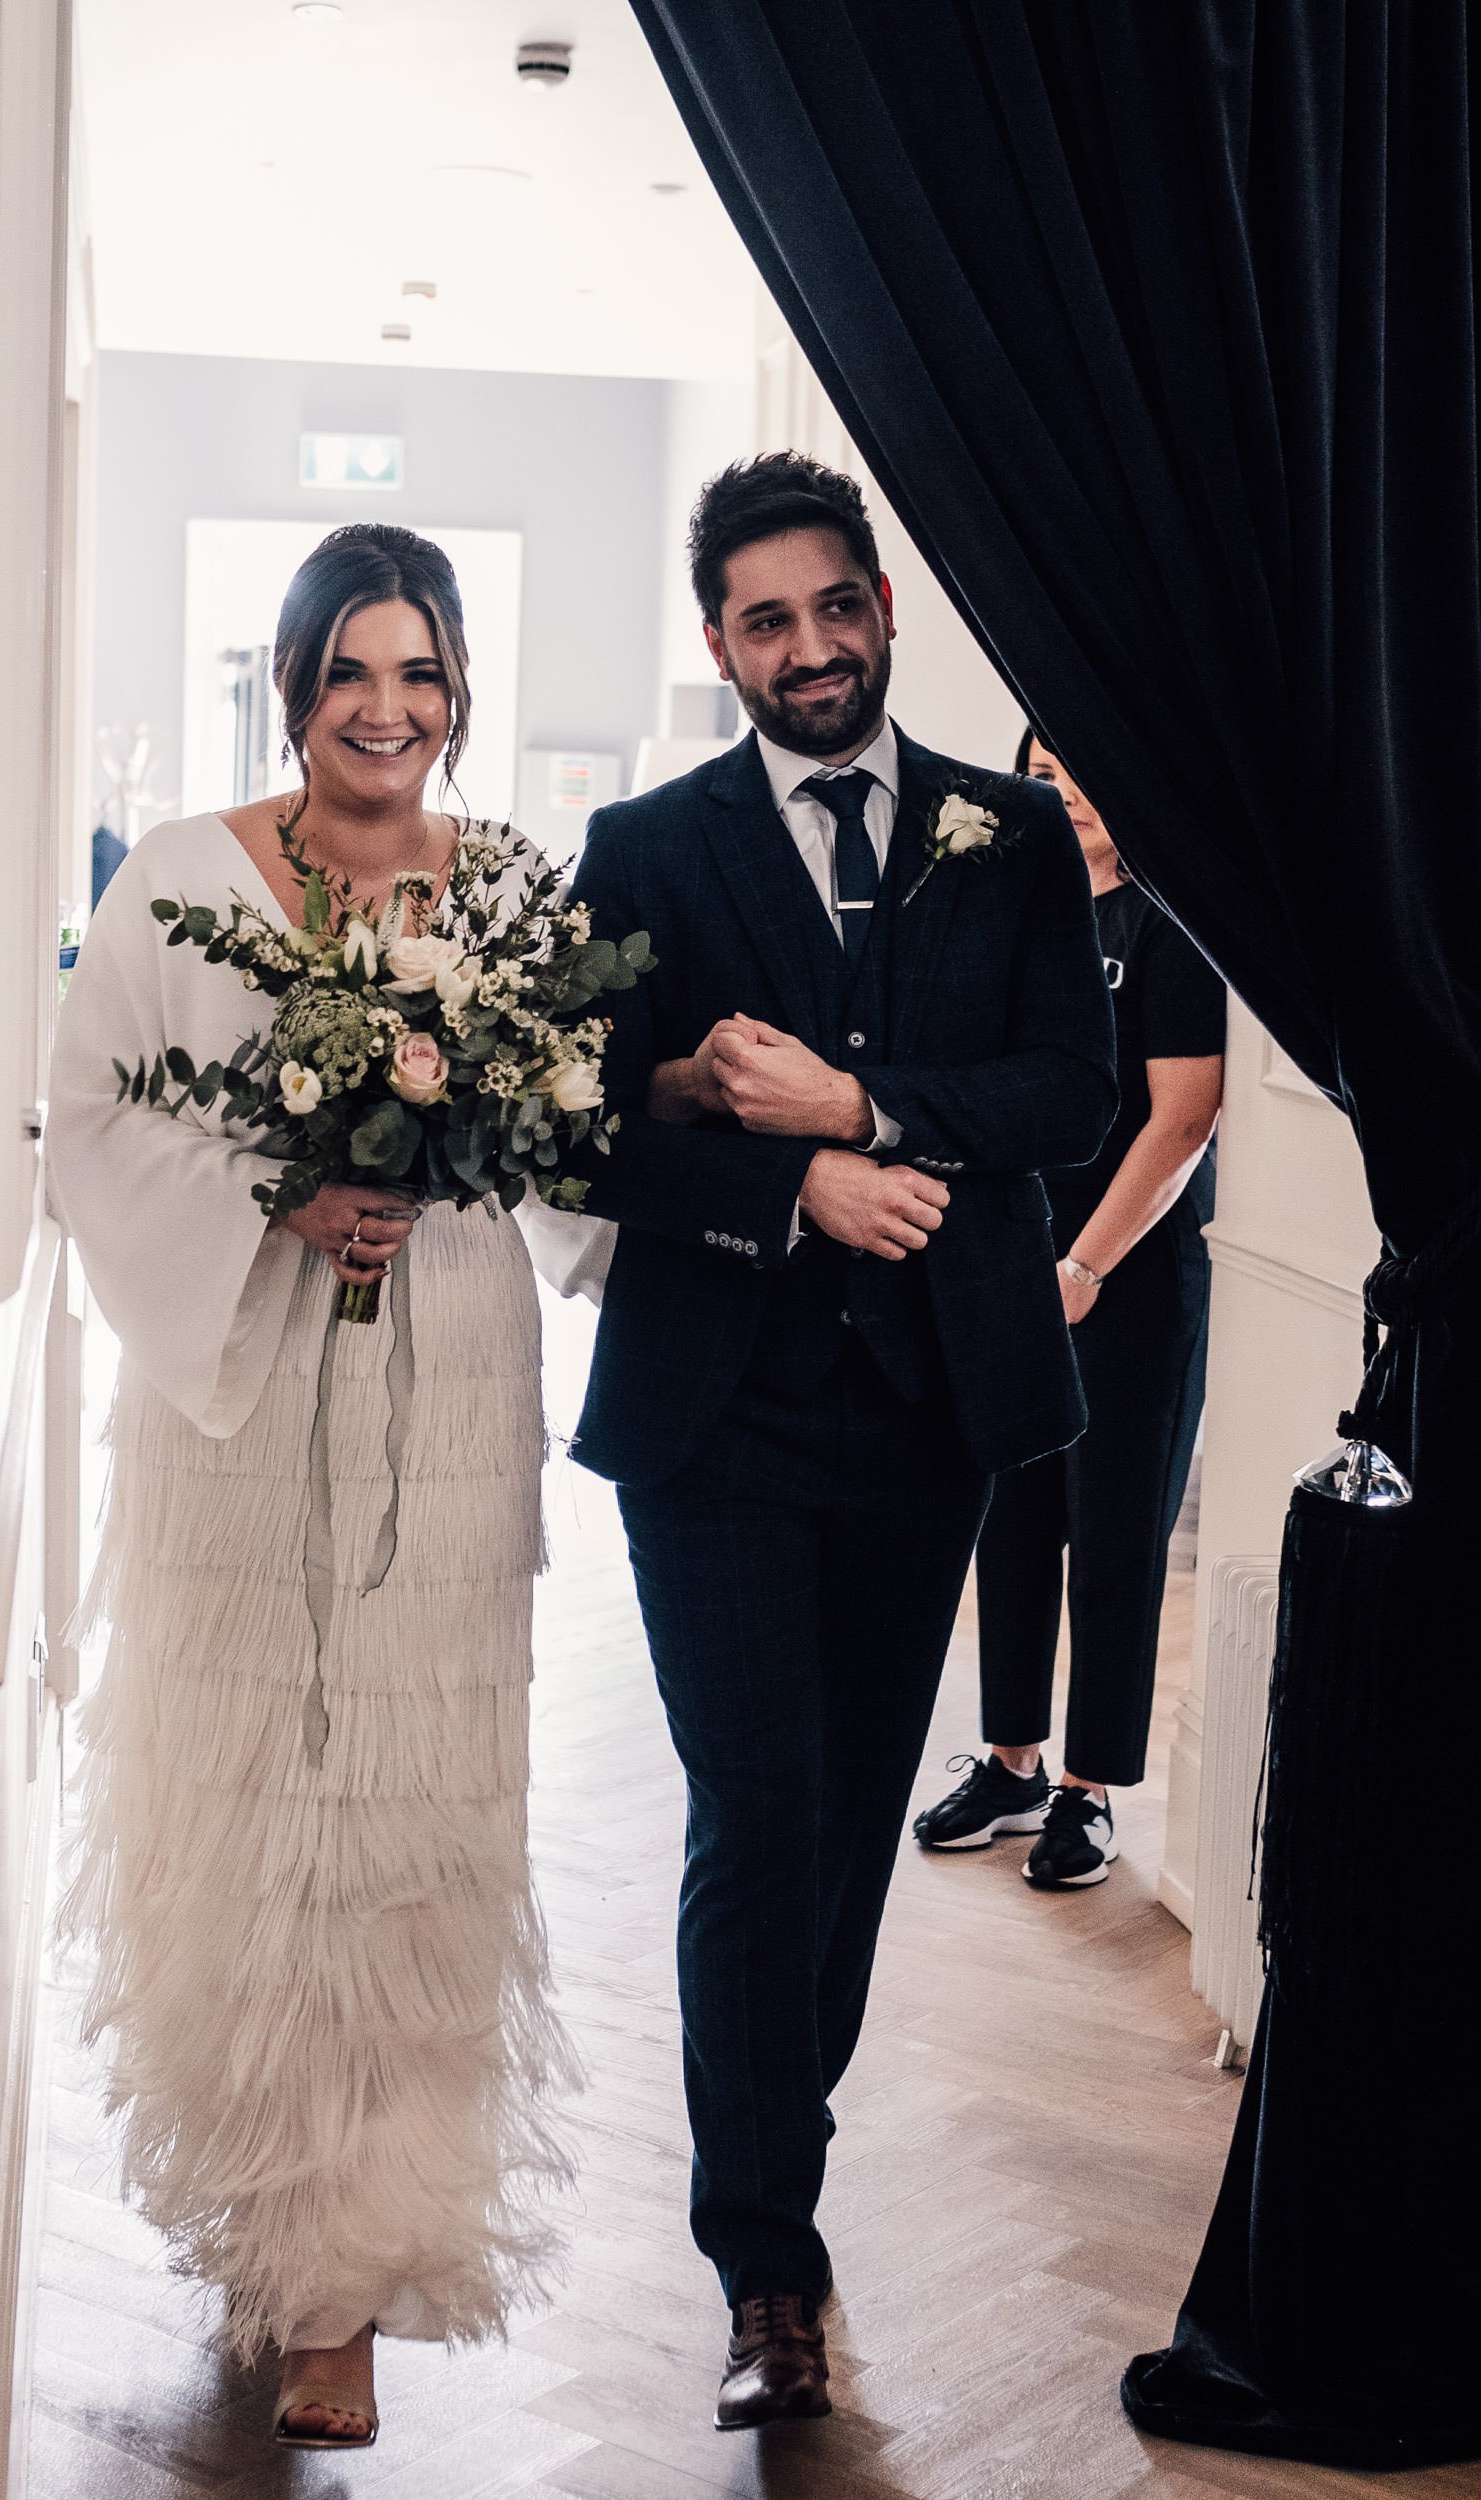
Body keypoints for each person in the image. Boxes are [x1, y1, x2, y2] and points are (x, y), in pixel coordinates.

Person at [563, 454, 1117, 2429]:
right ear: (716, 644)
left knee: (842, 1834)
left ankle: (766, 2170)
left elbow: (1071, 1089)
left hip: (927, 1413)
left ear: (876, 601)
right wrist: (780, 1189)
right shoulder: (639, 847)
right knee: (756, 1811)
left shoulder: (1004, 832)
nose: (806, 648)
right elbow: (567, 1125)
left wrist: (860, 1109)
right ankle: (766, 2262)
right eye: (761, 620)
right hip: (714, 1408)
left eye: (830, 607)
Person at [45, 525, 576, 2453]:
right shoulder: (186, 878)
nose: (388, 711)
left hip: (445, 1378)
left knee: (410, 1811)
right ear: (293, 687)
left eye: (420, 674)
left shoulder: (510, 892)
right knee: (257, 1792)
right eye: (350, 672)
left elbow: (562, 1138)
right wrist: (281, 1185)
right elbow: (90, 1123)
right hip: (237, 1398)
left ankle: (352, 2274)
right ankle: (266, 2229)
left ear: (456, 691)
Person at [914, 732, 1225, 1887]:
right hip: (1008, 1273)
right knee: (1007, 1521)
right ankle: (1009, 1761)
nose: (1071, 792)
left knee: (1109, 1538)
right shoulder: (1014, 915)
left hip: (1124, 1284)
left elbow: (1183, 1119)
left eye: (1091, 763)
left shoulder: (1172, 921)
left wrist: (1082, 1268)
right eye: (1046, 773)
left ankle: (1087, 1790)